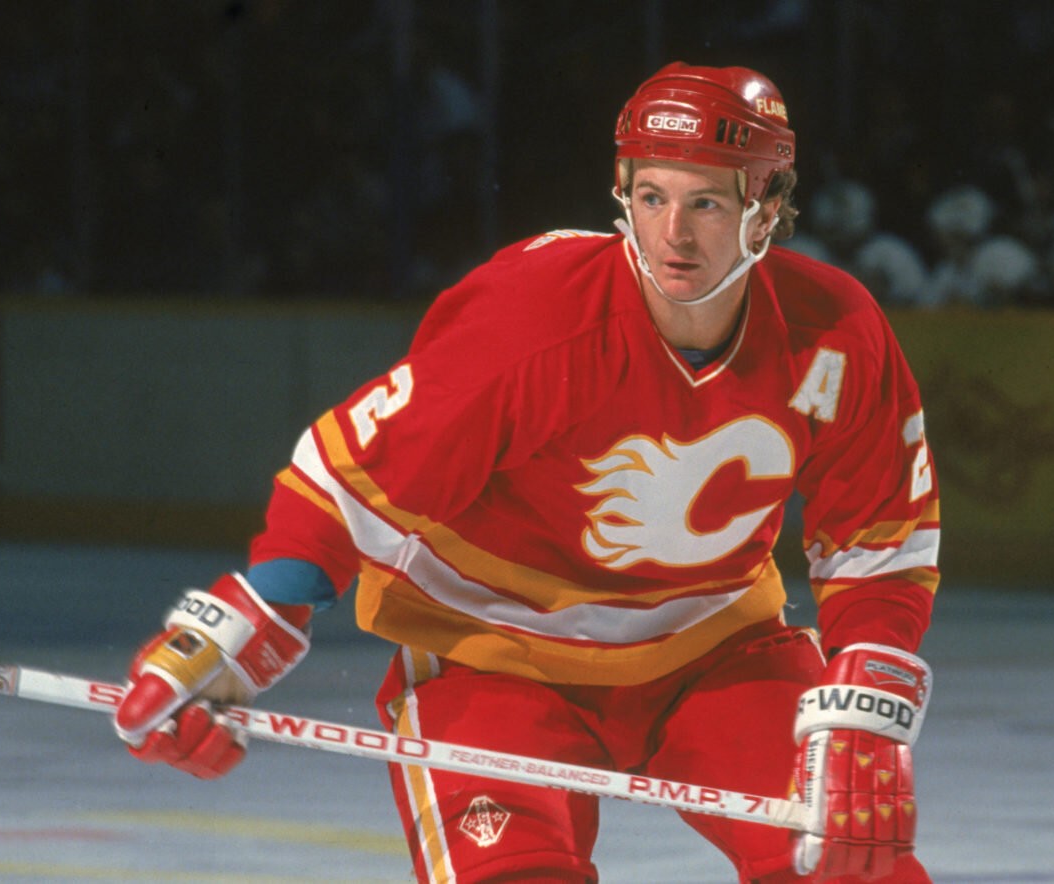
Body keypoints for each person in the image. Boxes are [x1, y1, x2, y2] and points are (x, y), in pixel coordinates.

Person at [113, 62, 940, 883]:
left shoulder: (836, 331)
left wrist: (865, 690)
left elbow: (879, 540)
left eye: (706, 203)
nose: (672, 236)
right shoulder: (535, 312)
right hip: (496, 656)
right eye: (651, 196)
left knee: (857, 871)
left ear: (766, 205)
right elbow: (352, 482)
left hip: (715, 650)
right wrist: (243, 629)